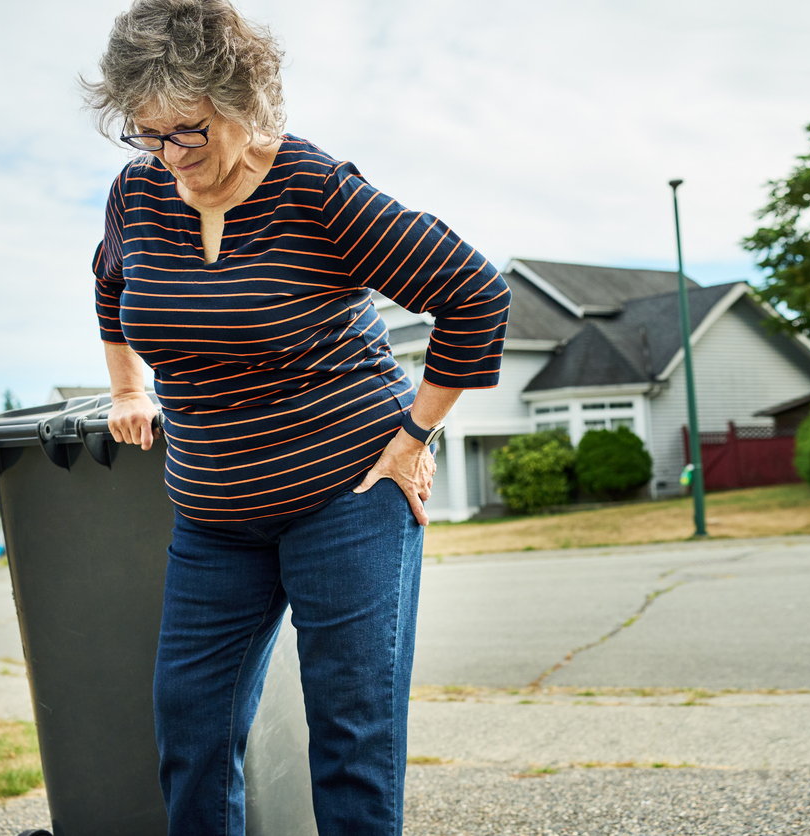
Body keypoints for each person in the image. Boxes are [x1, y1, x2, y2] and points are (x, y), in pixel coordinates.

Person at [81, 1, 509, 834]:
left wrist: (415, 434)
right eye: (149, 133)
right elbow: (111, 284)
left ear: (242, 103)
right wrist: (129, 388)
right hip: (212, 516)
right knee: (191, 732)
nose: (170, 156)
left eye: (189, 132)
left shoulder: (314, 190)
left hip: (345, 496)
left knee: (351, 738)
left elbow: (474, 295)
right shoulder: (137, 193)